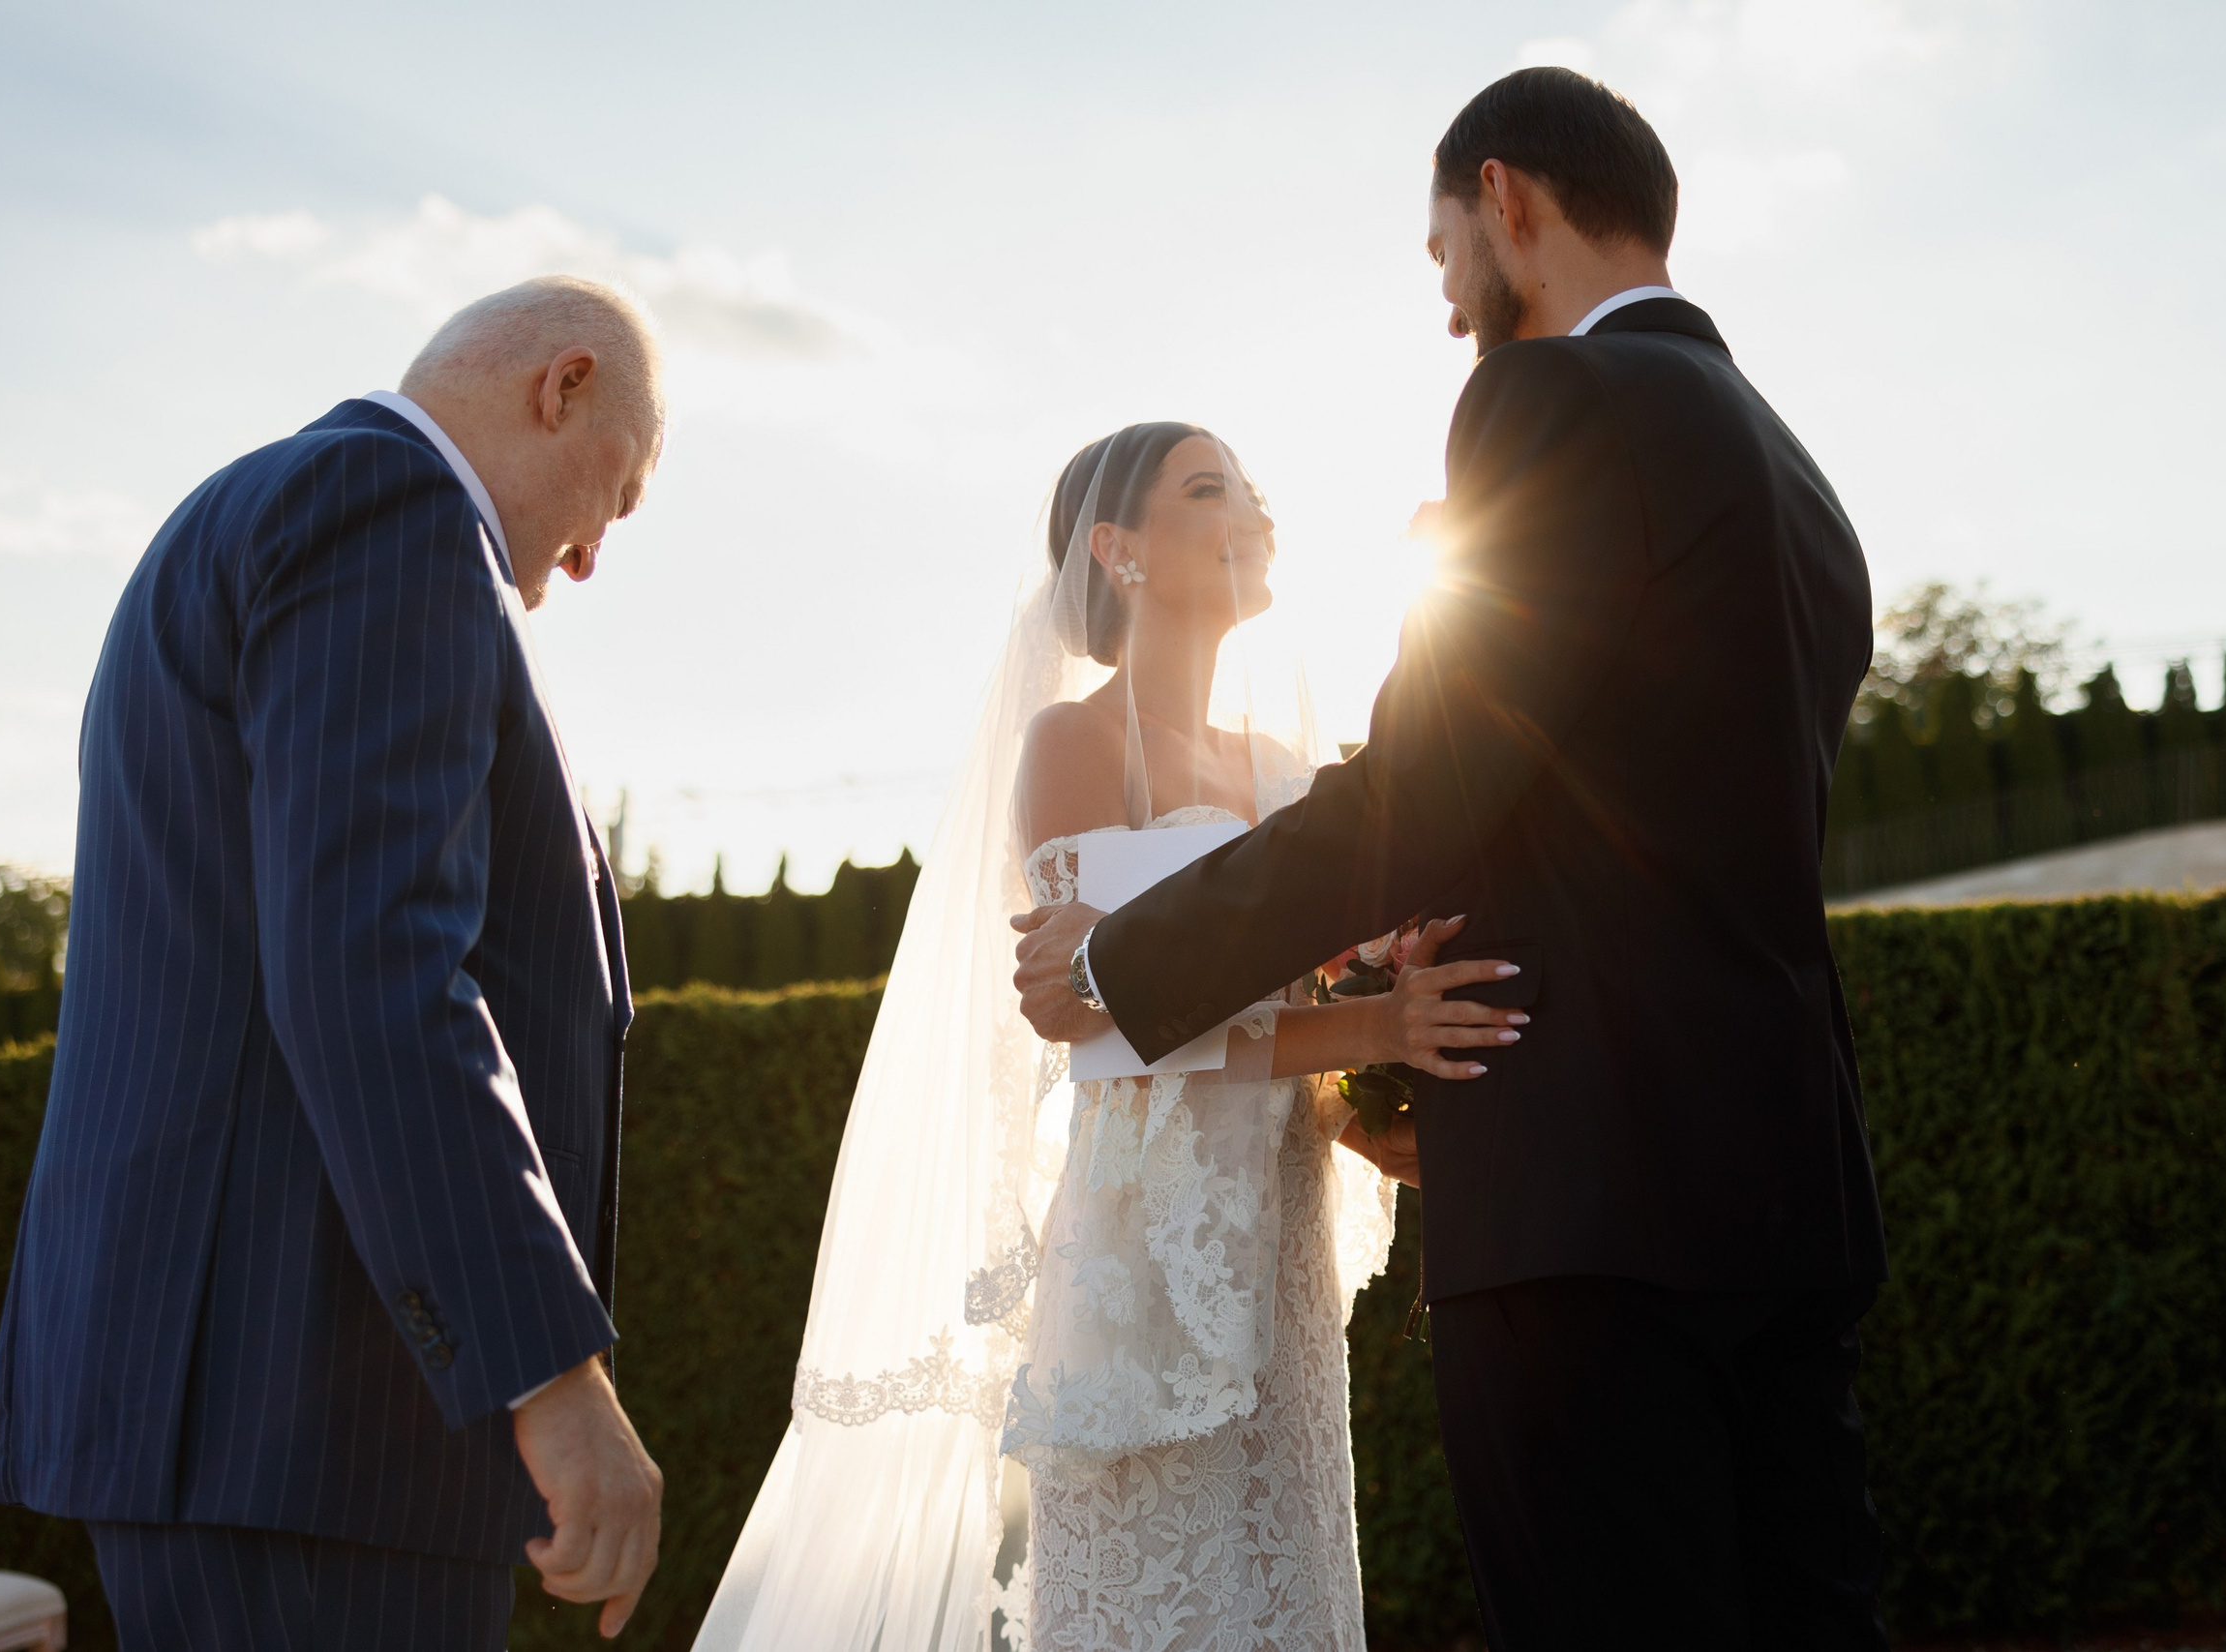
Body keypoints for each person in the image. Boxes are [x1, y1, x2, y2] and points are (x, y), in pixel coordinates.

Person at [1013, 70, 1893, 1650]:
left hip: (1587, 1192)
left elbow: (1424, 777)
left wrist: (1116, 959)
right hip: (1786, 1176)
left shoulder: (1549, 396)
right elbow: (1603, 786)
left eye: (1443, 256)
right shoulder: (1796, 470)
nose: (1446, 304)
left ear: (1505, 200)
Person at [693, 425, 1518, 1652]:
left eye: (1252, 489)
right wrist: (1375, 1020)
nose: (1255, 513)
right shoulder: (1072, 744)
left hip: (1278, 1248)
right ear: (1117, 550)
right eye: (1210, 489)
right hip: (1143, 1254)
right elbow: (1110, 1032)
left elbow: (1267, 1026)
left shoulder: (1289, 773)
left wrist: (1362, 1111)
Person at [0, 276, 670, 1651]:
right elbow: (375, 967)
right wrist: (549, 1367)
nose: (594, 554)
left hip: (236, 1409)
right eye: (622, 490)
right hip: (309, 1412)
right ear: (563, 385)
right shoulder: (391, 509)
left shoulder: (253, 508)